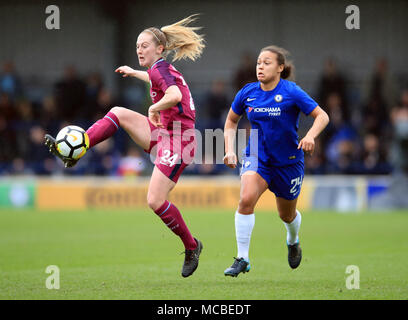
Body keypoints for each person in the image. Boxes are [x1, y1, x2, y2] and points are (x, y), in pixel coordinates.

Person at [44, 15, 205, 278]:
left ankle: (192, 246)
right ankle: (80, 147)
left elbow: (174, 95)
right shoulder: (157, 70)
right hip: (165, 133)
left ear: (159, 49)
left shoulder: (161, 70)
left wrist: (154, 106)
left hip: (179, 140)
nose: (139, 49)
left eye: (144, 46)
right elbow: (160, 81)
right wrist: (134, 72)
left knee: (154, 200)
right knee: (118, 112)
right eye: (137, 45)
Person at [222, 45, 329, 277]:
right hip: (257, 156)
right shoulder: (247, 92)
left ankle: (293, 241)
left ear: (280, 68)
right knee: (246, 199)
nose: (260, 66)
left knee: (286, 215)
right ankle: (242, 258)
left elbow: (322, 115)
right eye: (259, 62)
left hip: (288, 162)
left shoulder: (291, 91)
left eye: (267, 62)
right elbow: (231, 122)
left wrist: (310, 136)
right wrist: (230, 149)